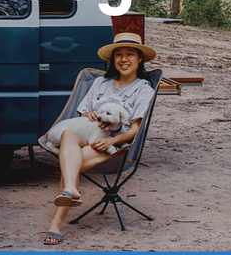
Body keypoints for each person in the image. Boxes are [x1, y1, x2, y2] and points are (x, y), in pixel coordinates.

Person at [42, 32, 157, 245]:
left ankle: (56, 222)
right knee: (68, 134)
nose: (124, 59)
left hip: (114, 145)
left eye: (130, 54)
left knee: (70, 162)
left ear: (139, 59)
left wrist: (112, 141)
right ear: (113, 59)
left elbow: (134, 130)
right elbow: (83, 115)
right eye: (119, 54)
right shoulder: (100, 83)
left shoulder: (143, 89)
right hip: (88, 133)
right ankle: (71, 189)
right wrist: (91, 115)